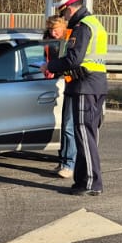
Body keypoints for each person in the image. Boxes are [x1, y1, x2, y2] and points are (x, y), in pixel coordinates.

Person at [43, 0, 108, 197]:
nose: (64, 18)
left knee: (84, 136)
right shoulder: (95, 23)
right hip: (96, 84)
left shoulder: (82, 27)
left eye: (64, 13)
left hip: (84, 86)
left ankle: (91, 183)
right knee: (88, 136)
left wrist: (50, 65)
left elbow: (73, 59)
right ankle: (83, 180)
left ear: (70, 9)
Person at [43, 15, 76, 178]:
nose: (53, 33)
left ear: (63, 28)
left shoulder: (72, 38)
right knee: (65, 125)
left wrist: (53, 68)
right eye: (51, 30)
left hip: (75, 84)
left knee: (69, 126)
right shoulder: (49, 41)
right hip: (60, 84)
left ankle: (69, 164)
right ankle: (63, 162)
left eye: (56, 30)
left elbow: (70, 62)